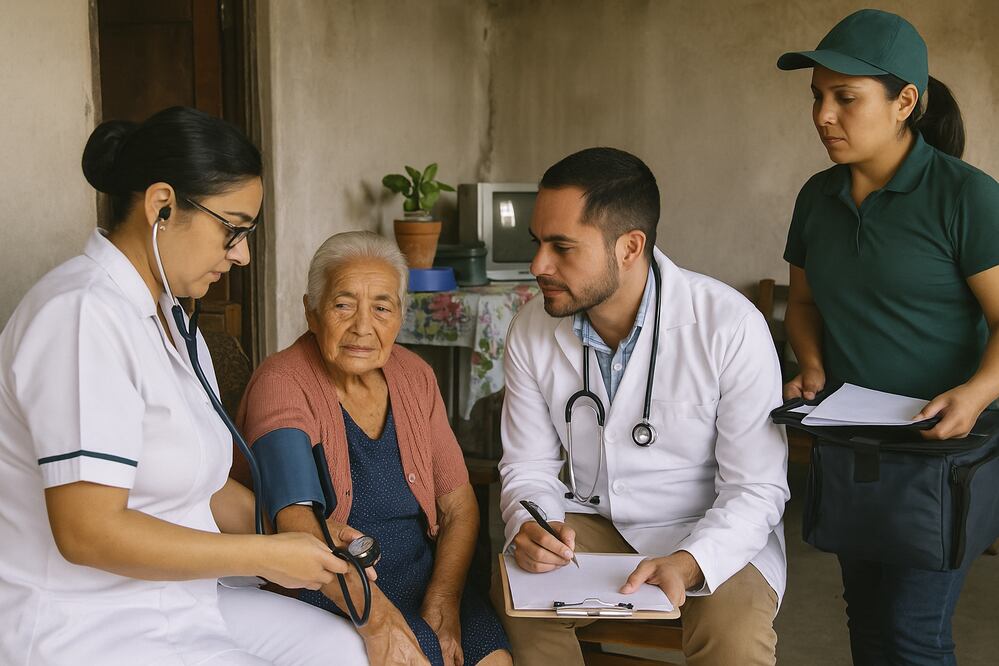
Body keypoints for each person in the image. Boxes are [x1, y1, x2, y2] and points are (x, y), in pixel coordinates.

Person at [0, 106, 368, 665]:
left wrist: (308, 538)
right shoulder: (79, 317)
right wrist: (263, 556)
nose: (241, 254)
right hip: (81, 623)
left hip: (171, 601)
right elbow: (87, 531)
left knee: (340, 648)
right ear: (162, 206)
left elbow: (202, 485)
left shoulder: (174, 322)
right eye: (233, 229)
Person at [491, 147, 789, 666]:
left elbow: (755, 488)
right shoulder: (532, 328)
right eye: (537, 243)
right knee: (513, 599)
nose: (538, 265)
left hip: (711, 530)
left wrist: (691, 562)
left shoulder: (730, 326)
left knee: (734, 639)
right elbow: (528, 466)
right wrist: (530, 524)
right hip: (594, 522)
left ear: (630, 247)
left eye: (562, 247)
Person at [777, 9, 999, 665]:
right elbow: (806, 303)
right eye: (817, 96)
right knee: (867, 625)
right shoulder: (816, 198)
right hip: (855, 446)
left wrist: (974, 393)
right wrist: (811, 366)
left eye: (844, 98)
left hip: (943, 453)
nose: (822, 114)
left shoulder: (966, 197)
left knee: (911, 634)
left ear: (904, 102)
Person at [236, 231, 511, 666]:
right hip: (330, 582)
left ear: (400, 315)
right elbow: (296, 521)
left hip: (424, 576)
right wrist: (376, 614)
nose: (363, 326)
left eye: (381, 308)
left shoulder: (414, 376)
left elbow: (459, 505)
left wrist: (443, 599)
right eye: (343, 305)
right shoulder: (283, 383)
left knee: (493, 659)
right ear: (312, 312)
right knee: (421, 656)